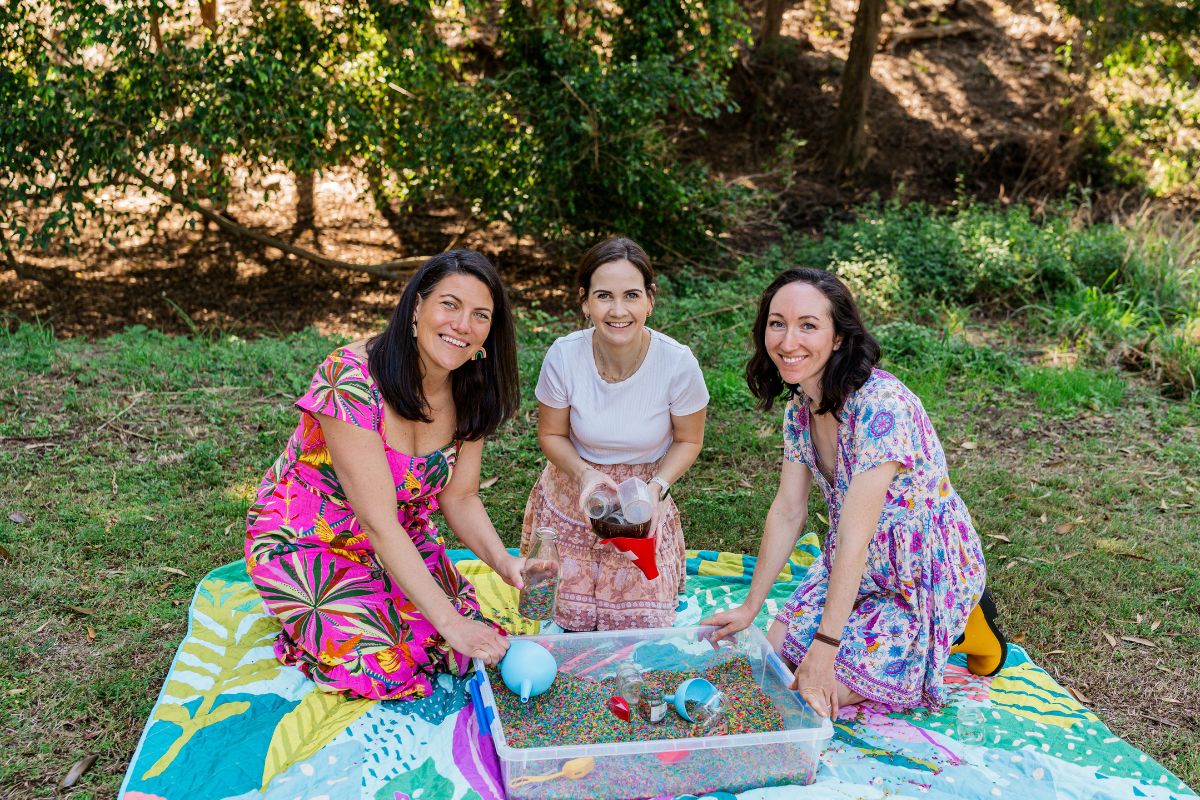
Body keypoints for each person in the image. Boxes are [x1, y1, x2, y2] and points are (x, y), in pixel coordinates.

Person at [703, 267, 1001, 717]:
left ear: (839, 337)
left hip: (920, 572)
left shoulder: (881, 408)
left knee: (811, 694)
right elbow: (787, 511)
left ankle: (968, 624)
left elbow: (855, 536)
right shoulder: (799, 410)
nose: (787, 342)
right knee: (773, 660)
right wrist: (750, 607)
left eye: (808, 325)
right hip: (855, 564)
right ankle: (883, 634)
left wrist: (826, 648)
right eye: (777, 323)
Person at [244, 250, 526, 700]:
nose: (462, 325)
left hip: (400, 534)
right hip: (310, 539)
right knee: (384, 666)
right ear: (416, 307)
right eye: (449, 304)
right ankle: (305, 621)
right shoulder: (350, 378)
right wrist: (449, 621)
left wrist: (504, 561)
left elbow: (462, 498)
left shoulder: (472, 388)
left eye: (480, 315)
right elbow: (377, 523)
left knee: (458, 649)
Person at [521, 237, 709, 631]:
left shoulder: (677, 363)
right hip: (574, 490)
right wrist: (586, 476)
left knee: (642, 627)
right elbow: (551, 435)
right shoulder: (563, 355)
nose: (618, 310)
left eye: (631, 295)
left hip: (644, 498)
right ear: (585, 302)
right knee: (557, 618)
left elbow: (689, 440)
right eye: (604, 295)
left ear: (649, 301)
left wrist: (656, 489)